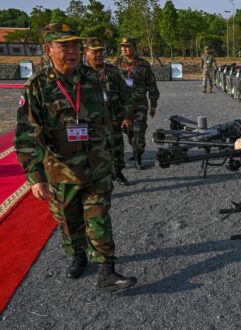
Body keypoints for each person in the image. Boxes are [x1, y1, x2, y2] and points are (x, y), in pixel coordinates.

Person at [14, 22, 137, 291]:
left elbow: (106, 122)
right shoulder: (37, 87)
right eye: (64, 45)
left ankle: (107, 270)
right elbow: (26, 134)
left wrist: (114, 159)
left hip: (97, 166)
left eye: (75, 44)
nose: (72, 50)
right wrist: (35, 177)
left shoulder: (93, 78)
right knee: (68, 221)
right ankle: (78, 255)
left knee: (99, 217)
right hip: (61, 170)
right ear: (48, 49)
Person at [83, 38, 132, 185]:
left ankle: (117, 172)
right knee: (92, 150)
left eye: (100, 51)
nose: (98, 54)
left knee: (117, 147)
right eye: (94, 51)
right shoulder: (80, 73)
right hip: (91, 121)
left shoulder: (112, 71)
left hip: (114, 118)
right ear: (86, 53)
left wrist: (127, 116)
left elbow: (126, 95)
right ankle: (96, 177)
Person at [114, 36, 159, 170]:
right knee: (128, 131)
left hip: (139, 105)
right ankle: (135, 148)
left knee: (139, 131)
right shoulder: (117, 63)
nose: (124, 49)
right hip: (122, 106)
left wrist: (153, 104)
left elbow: (151, 84)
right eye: (122, 46)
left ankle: (138, 156)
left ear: (135, 48)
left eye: (127, 46)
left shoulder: (143, 64)